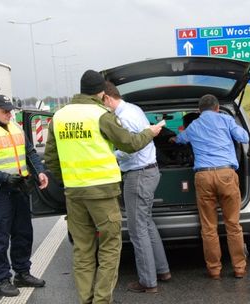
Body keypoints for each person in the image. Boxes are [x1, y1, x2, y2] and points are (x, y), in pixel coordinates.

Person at [44, 70, 162, 304]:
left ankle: (86, 300)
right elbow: (130, 144)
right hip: (103, 194)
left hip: (75, 194)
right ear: (101, 92)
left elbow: (50, 159)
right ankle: (101, 300)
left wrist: (69, 178)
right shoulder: (101, 115)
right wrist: (150, 132)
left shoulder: (59, 116)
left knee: (83, 249)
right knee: (109, 247)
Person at [0, 94, 49, 297]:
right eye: (5, 110)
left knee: (23, 233)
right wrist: (5, 178)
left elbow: (30, 152)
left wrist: (39, 170)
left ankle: (22, 273)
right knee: (0, 238)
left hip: (20, 188)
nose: (9, 113)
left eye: (10, 110)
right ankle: (2, 279)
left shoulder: (15, 127)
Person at [103, 81, 171, 294]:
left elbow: (131, 147)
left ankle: (148, 282)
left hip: (138, 174)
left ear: (107, 98)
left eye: (101, 102)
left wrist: (110, 156)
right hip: (150, 171)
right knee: (147, 223)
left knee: (136, 229)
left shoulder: (122, 117)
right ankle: (162, 270)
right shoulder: (135, 109)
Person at [172, 94, 249, 280]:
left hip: (203, 176)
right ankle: (239, 268)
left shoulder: (194, 125)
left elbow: (180, 139)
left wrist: (171, 140)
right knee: (233, 224)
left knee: (208, 227)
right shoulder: (226, 119)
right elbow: (244, 137)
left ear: (199, 110)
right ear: (216, 108)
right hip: (226, 175)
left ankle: (214, 270)